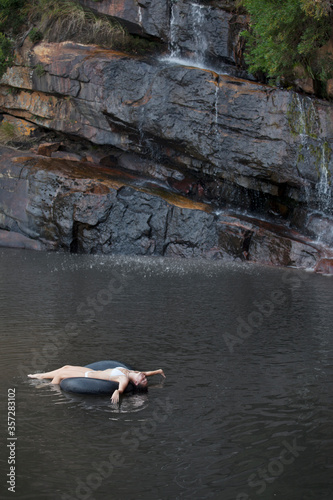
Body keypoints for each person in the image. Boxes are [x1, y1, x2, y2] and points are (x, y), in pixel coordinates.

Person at [28, 365, 166, 404]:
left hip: (86, 377)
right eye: (143, 377)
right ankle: (40, 376)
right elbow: (147, 373)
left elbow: (120, 389)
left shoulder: (124, 379)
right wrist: (158, 371)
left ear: (135, 383)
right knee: (65, 367)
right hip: (92, 371)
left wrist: (117, 393)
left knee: (60, 375)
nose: (143, 376)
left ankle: (49, 388)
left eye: (142, 379)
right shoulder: (133, 372)